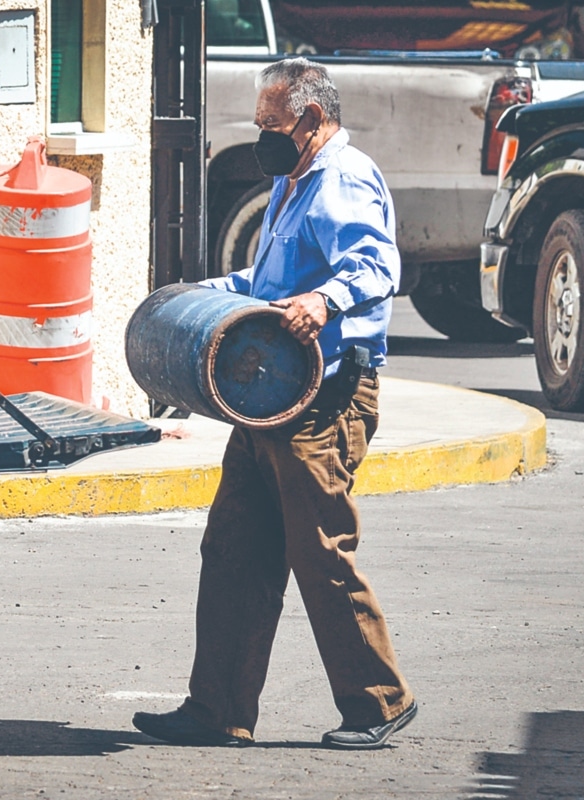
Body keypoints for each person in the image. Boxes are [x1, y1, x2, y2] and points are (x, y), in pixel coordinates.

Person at [132, 58, 416, 749]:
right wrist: (206, 291)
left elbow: (376, 267)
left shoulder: (342, 179)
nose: (263, 137)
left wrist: (325, 301)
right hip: (275, 394)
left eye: (272, 125)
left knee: (319, 548)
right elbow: (268, 283)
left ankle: (379, 702)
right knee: (234, 546)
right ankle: (218, 710)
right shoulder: (295, 182)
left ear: (312, 120)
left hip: (327, 395)